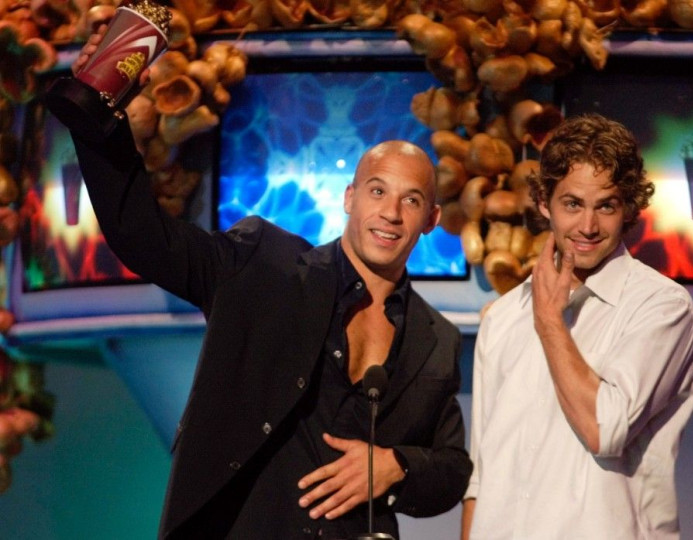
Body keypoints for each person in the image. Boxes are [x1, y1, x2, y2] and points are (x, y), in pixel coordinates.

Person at [67, 31, 472, 540]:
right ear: (349, 198)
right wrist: (100, 119)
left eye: (411, 201)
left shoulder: (436, 340)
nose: (390, 213)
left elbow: (453, 469)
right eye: (377, 191)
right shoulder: (265, 264)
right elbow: (144, 239)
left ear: (432, 218)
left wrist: (397, 467)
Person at [461, 113, 693, 539]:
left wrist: (550, 324)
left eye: (605, 206)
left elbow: (605, 430)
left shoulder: (662, 308)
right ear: (544, 205)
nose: (588, 227)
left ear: (628, 206)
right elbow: (481, 478)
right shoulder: (503, 318)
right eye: (572, 204)